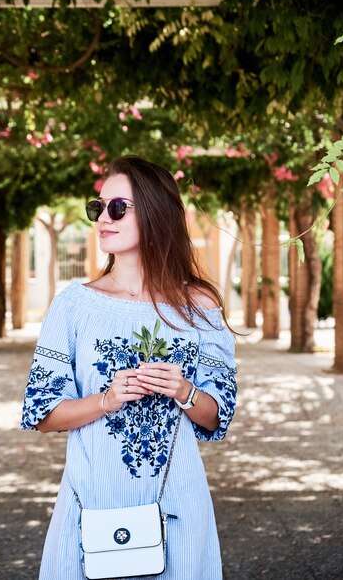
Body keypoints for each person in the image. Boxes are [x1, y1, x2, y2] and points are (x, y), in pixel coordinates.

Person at [21, 155, 237, 580]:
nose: (104, 218)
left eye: (117, 207)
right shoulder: (74, 305)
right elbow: (42, 414)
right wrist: (107, 398)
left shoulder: (200, 307)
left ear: (156, 214)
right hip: (92, 500)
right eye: (97, 207)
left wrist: (184, 391)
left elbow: (217, 417)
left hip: (178, 504)